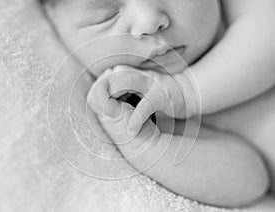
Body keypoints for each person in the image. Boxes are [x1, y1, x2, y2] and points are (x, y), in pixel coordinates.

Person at [40, 0, 275, 207]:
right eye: (105, 16)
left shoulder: (238, 11)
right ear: (56, 27)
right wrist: (147, 144)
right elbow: (249, 180)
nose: (149, 21)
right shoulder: (148, 108)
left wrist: (185, 91)